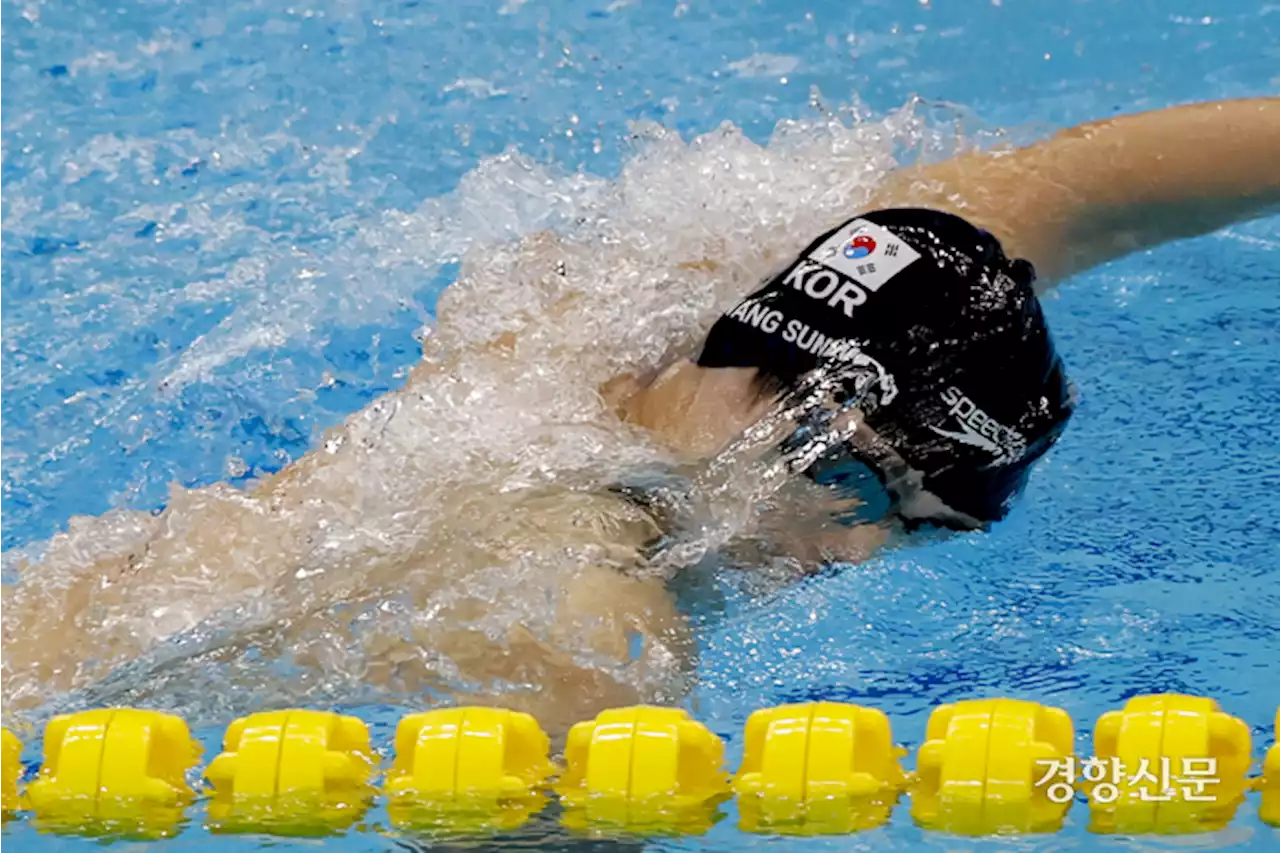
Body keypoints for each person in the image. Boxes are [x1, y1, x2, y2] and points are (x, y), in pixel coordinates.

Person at [2, 98, 1278, 730]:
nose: (853, 559)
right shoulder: (585, 570)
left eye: (924, 533)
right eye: (857, 497)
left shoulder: (699, 314)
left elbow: (1069, 192)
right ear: (795, 419)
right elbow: (577, 721)